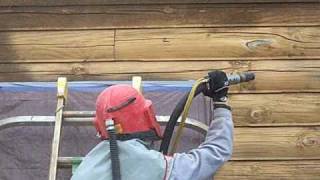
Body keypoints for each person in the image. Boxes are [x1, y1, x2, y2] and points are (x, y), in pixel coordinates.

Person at [71, 71, 233, 180]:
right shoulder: (148, 163)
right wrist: (221, 102)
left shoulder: (86, 166)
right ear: (145, 115)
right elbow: (215, 153)